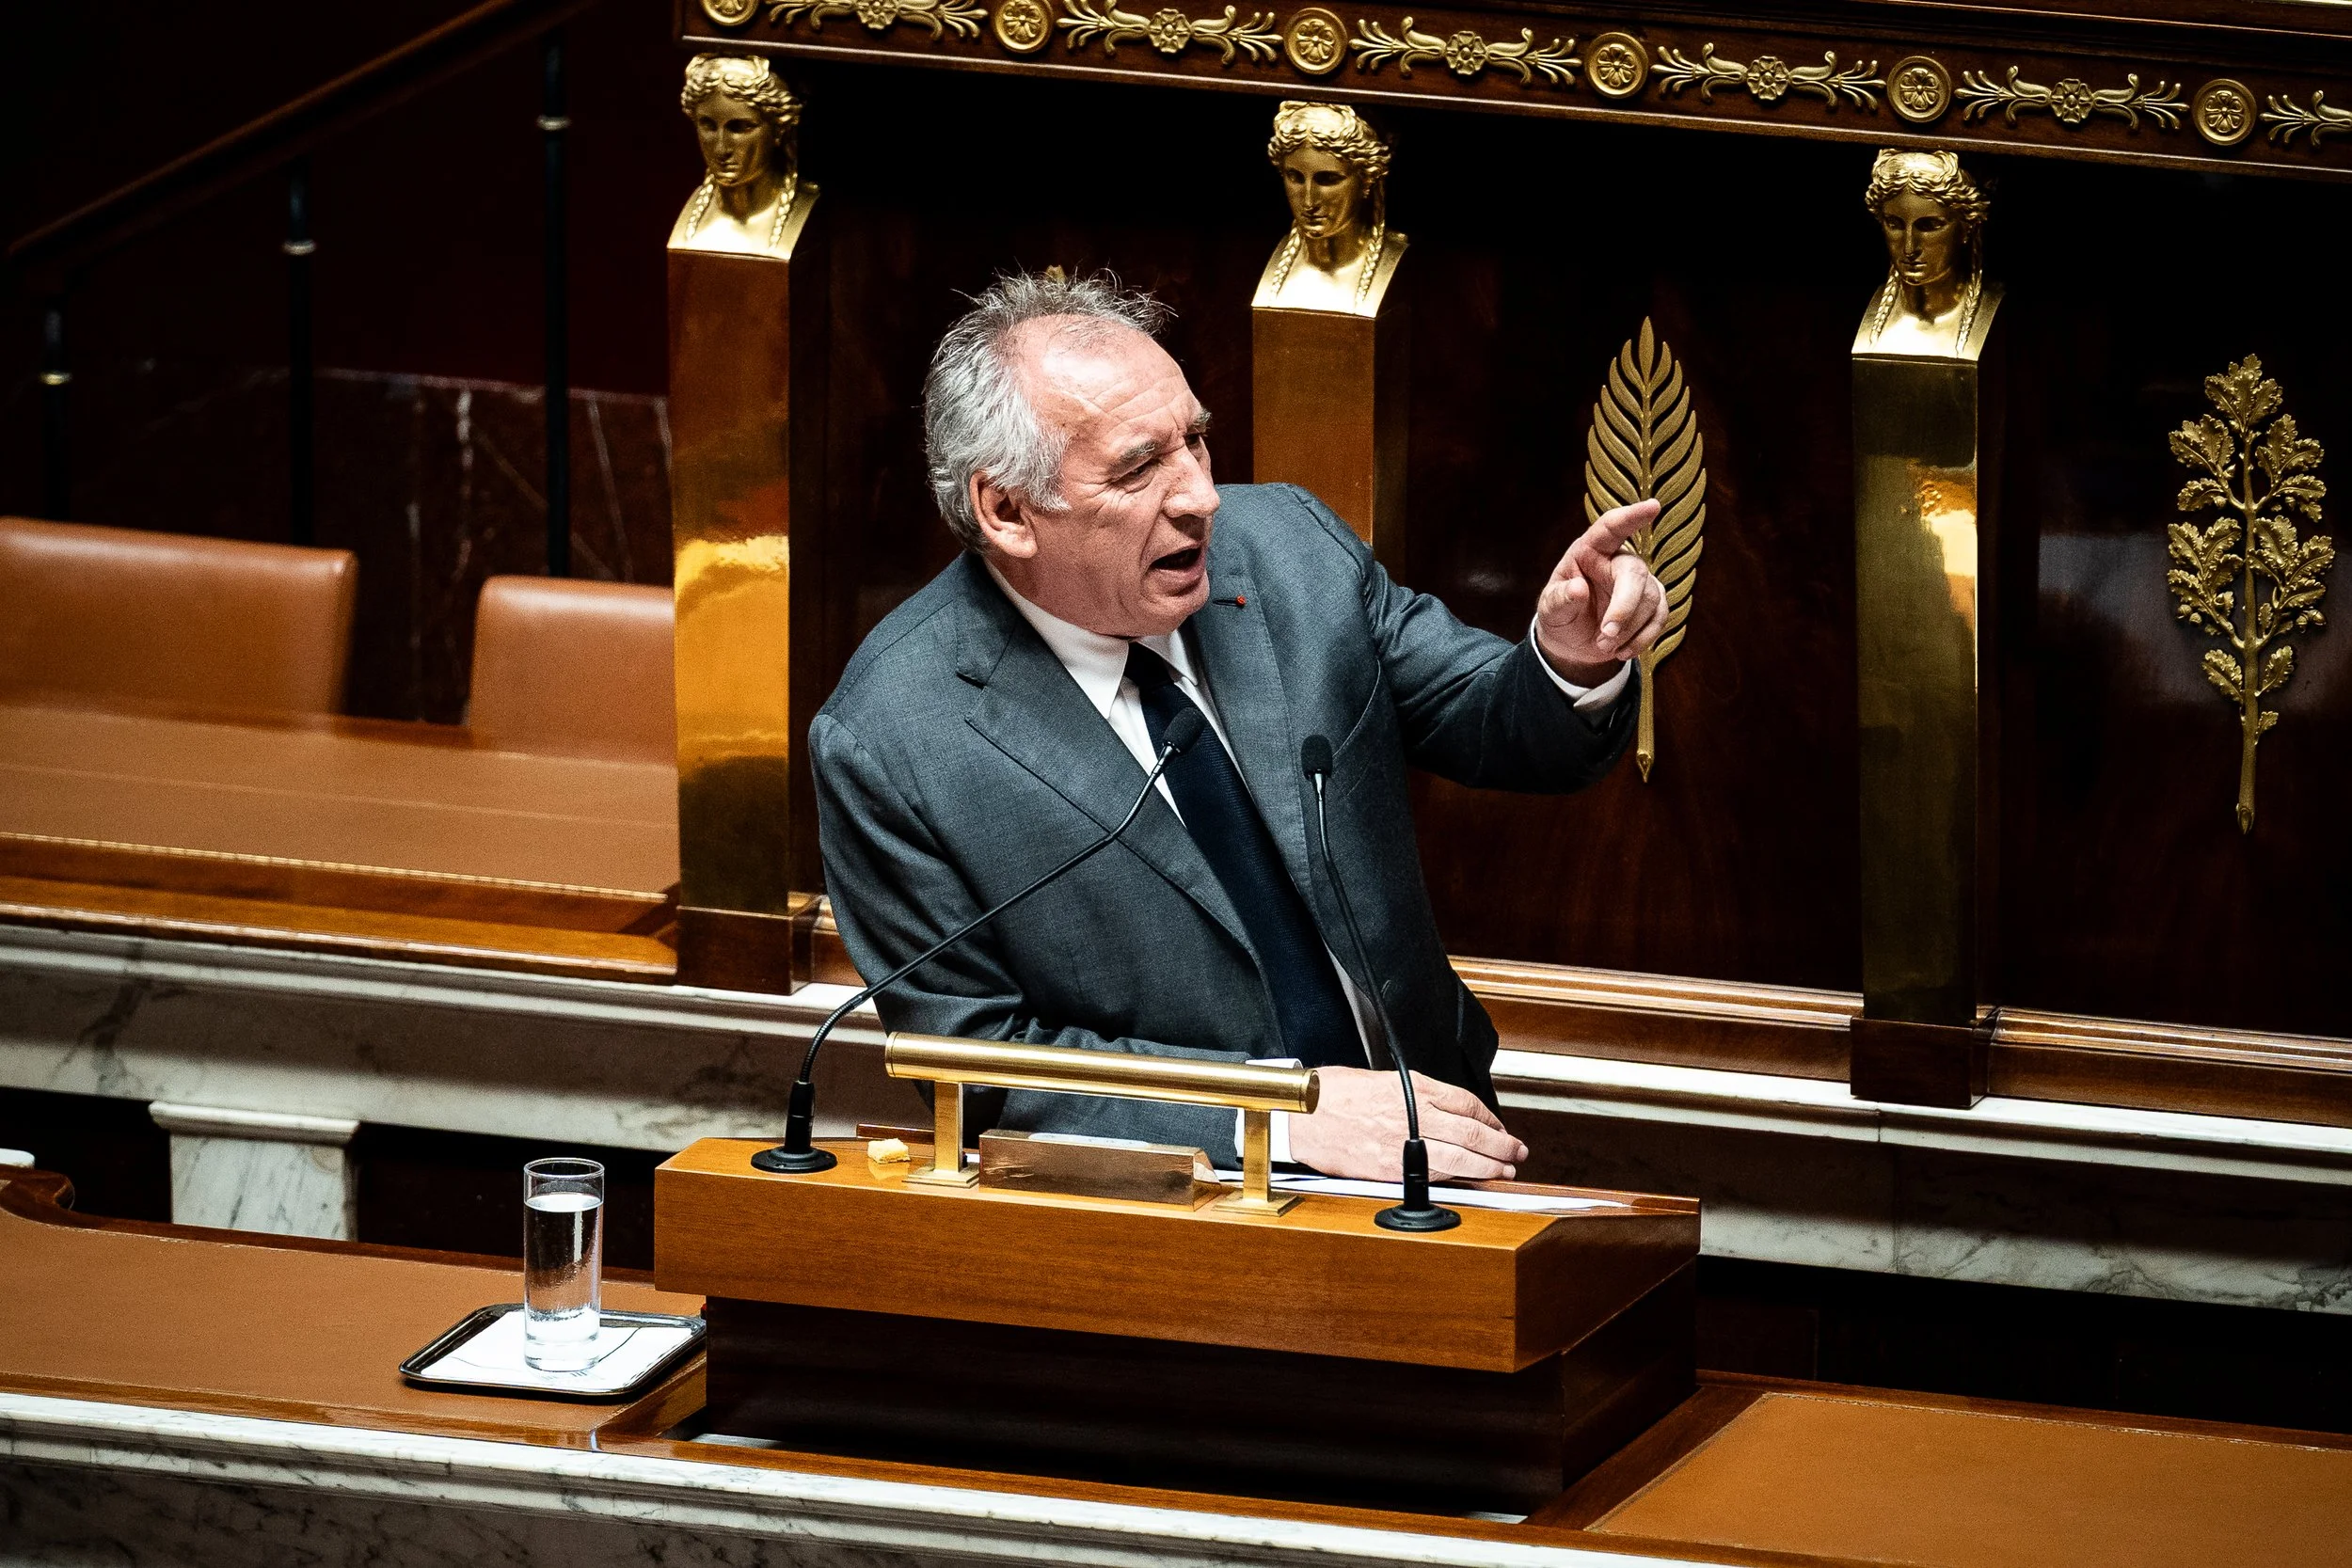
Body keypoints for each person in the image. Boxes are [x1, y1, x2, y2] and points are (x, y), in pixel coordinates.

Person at [812, 272, 1666, 1181]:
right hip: (1183, 1215)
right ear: (1008, 511)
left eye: (1197, 441)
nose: (1201, 497)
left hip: (1446, 1145)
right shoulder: (896, 738)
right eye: (1140, 467)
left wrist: (1570, 658)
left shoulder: (1290, 550)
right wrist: (1280, 1117)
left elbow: (1499, 724)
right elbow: (976, 1068)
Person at [1256, 101, 1404, 317]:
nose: (1308, 201)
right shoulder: (1273, 263)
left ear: (1367, 180)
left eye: (1327, 179)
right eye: (1295, 177)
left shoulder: (1394, 258)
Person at [1858, 148, 1997, 359]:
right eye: (1894, 224)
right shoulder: (1857, 312)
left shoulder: (1998, 317)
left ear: (1967, 227)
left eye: (1930, 225)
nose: (1909, 248)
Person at [669, 55, 805, 258]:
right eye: (708, 125)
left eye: (739, 128)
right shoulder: (691, 218)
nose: (721, 149)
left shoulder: (805, 211)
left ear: (779, 130)